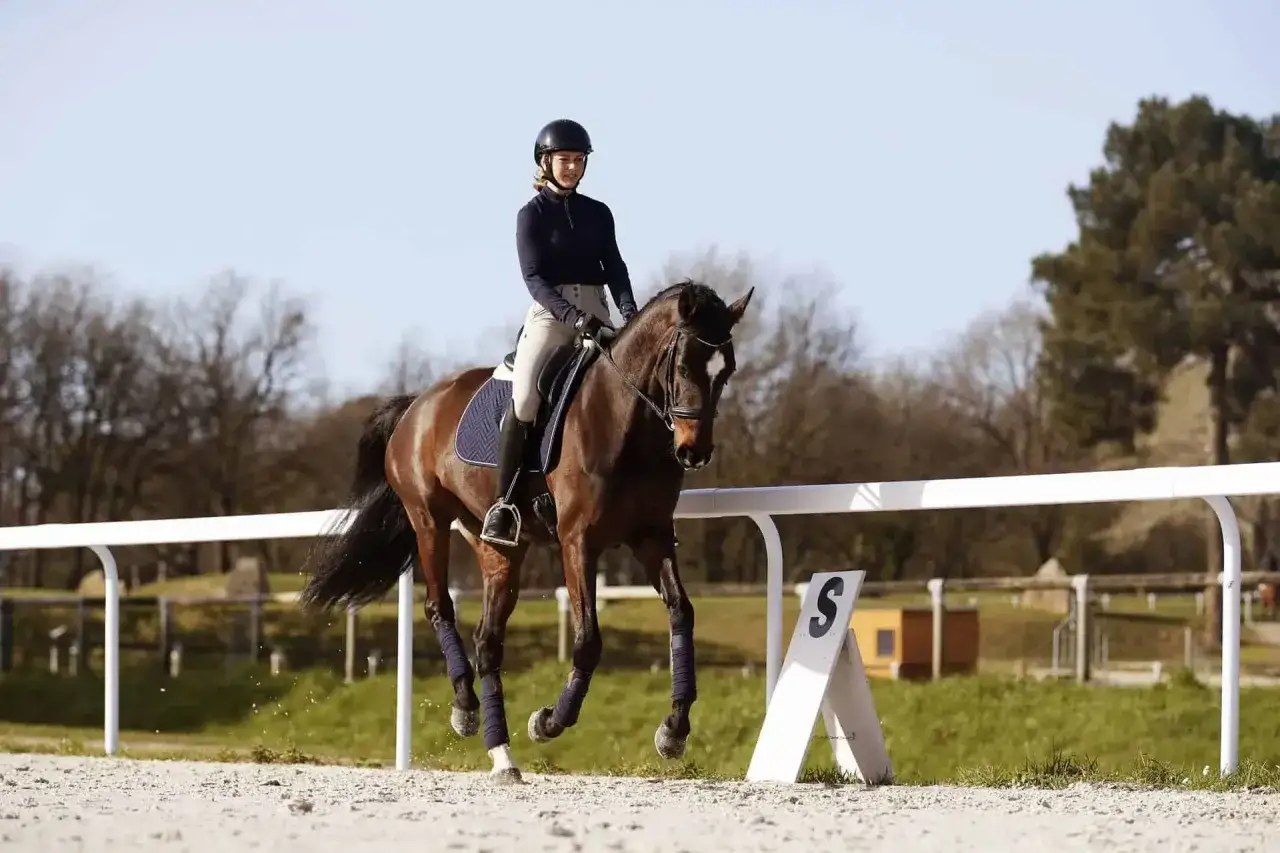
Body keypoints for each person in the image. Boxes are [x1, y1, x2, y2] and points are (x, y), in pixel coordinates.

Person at [480, 118, 639, 546]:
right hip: (552, 315)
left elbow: (616, 268)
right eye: (563, 160)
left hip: (597, 309)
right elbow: (534, 278)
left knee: (635, 389)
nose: (571, 167)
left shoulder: (598, 213)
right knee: (527, 397)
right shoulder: (530, 216)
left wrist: (628, 312)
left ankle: (643, 497)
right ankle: (504, 504)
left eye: (578, 160)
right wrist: (572, 316)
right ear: (544, 163)